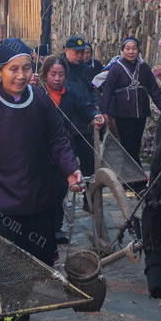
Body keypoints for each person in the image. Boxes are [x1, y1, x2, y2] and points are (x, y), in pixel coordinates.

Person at [0, 38, 83, 280]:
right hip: (0, 207)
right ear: (0, 70)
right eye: (13, 69)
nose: (20, 76)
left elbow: (57, 139)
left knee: (36, 268)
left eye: (26, 68)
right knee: (6, 273)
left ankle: (22, 315)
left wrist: (70, 170)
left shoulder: (40, 100)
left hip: (38, 201)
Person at [37, 55, 106, 243]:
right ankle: (40, 228)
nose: (57, 78)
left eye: (60, 74)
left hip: (61, 150)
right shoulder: (36, 94)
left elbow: (86, 108)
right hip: (37, 150)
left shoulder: (71, 95)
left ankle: (56, 227)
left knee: (60, 189)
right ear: (45, 76)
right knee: (41, 190)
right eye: (53, 74)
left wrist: (96, 116)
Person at [99, 37, 161, 168]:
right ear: (122, 51)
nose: (131, 51)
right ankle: (139, 180)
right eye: (127, 48)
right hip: (122, 114)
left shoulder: (144, 68)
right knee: (129, 147)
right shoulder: (116, 69)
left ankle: (127, 179)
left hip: (140, 114)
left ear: (138, 50)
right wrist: (102, 113)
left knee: (134, 146)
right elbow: (107, 92)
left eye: (134, 48)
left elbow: (154, 90)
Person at [60, 36, 100, 176]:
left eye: (81, 52)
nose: (79, 56)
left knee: (89, 160)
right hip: (70, 123)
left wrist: (96, 105)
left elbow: (91, 88)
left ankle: (88, 195)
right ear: (66, 51)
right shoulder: (61, 69)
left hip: (87, 122)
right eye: (76, 52)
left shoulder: (85, 68)